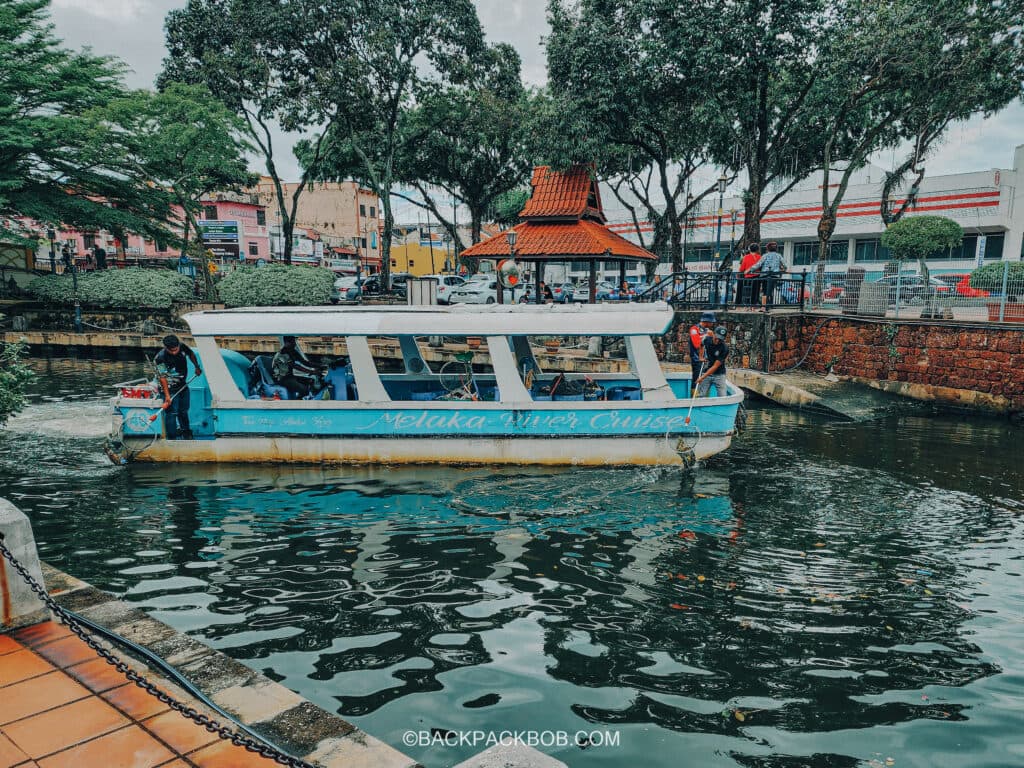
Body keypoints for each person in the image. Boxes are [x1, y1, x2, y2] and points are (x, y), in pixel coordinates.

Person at [154, 334, 202, 440]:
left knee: (183, 411)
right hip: (168, 388)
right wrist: (167, 396)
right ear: (166, 348)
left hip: (182, 385)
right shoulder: (160, 358)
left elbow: (191, 354)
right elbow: (162, 378)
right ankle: (172, 438)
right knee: (171, 413)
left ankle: (186, 432)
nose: (174, 352)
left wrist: (197, 367)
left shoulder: (182, 346)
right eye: (171, 351)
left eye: (176, 350)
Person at [747, 241, 786, 306]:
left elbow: (758, 264)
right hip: (774, 275)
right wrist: (782, 269)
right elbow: (785, 265)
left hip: (765, 275)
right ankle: (769, 305)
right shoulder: (779, 256)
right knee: (771, 290)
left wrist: (750, 269)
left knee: (765, 291)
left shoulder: (765, 255)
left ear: (767, 248)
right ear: (776, 248)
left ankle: (764, 306)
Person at [696, 326, 730, 397]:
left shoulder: (725, 348)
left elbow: (715, 366)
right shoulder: (706, 339)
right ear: (713, 334)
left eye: (720, 339)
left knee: (723, 396)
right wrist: (700, 357)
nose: (717, 340)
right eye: (716, 338)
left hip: (719, 374)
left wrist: (702, 377)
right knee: (701, 395)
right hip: (707, 371)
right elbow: (701, 345)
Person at [688, 311, 716, 386]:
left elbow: (714, 344)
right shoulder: (694, 329)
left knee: (706, 381)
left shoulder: (707, 331)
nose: (713, 323)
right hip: (697, 359)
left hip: (707, 360)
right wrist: (706, 336)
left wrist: (713, 337)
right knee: (697, 379)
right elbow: (697, 345)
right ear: (707, 321)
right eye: (711, 322)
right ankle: (693, 392)